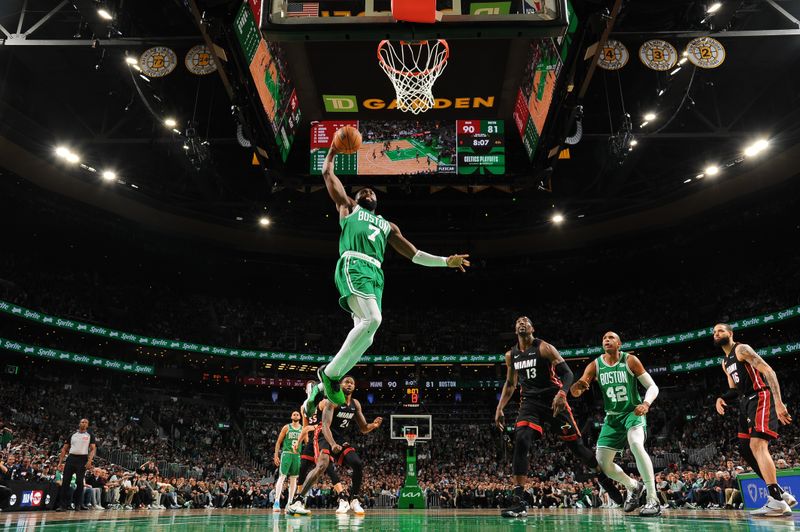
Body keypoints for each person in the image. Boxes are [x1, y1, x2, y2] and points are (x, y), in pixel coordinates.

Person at [304, 144, 469, 414]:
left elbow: (414, 254)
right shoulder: (348, 207)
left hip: (375, 275)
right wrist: (332, 152)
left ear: (377, 201)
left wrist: (444, 261)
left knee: (368, 338)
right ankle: (330, 375)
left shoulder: (388, 226)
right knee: (374, 319)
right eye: (362, 191)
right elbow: (326, 174)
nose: (367, 191)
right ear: (356, 198)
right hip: (354, 262)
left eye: (371, 191)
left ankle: (317, 391)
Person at [495, 317, 623, 518]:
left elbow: (568, 374)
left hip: (553, 399)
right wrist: (500, 408)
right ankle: (519, 501)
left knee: (577, 447)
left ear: (532, 328)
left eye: (526, 321)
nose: (522, 323)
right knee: (521, 439)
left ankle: (603, 478)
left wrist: (562, 394)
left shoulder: (544, 347)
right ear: (514, 329)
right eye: (518, 321)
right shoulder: (511, 355)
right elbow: (510, 384)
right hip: (529, 402)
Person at [570, 331, 661, 516]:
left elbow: (653, 386)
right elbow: (577, 391)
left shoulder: (630, 361)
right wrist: (578, 387)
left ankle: (653, 499)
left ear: (619, 344)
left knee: (636, 444)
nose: (606, 340)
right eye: (604, 338)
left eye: (611, 338)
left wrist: (646, 403)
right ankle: (633, 486)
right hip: (612, 418)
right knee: (603, 464)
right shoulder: (595, 364)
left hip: (632, 412)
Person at [713, 323, 795, 516]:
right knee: (745, 448)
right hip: (745, 402)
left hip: (760, 396)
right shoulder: (725, 362)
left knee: (758, 445)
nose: (717, 334)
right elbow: (734, 389)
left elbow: (769, 371)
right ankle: (779, 493)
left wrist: (779, 402)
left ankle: (776, 500)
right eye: (715, 332)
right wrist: (721, 398)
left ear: (730, 334)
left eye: (721, 331)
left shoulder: (742, 349)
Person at [290, 376, 382, 516]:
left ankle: (354, 499)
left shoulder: (355, 404)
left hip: (339, 437)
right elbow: (325, 425)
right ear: (340, 385)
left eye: (352, 382)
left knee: (357, 463)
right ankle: (298, 500)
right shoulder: (333, 401)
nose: (349, 384)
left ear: (354, 386)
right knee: (322, 465)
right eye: (346, 382)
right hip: (323, 434)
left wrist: (373, 426)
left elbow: (363, 428)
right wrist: (332, 444)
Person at [55, 418, 96, 512]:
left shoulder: (90, 435)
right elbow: (64, 448)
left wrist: (89, 461)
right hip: (71, 458)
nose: (84, 423)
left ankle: (78, 504)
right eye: (82, 422)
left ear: (88, 425)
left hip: (82, 459)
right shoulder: (72, 435)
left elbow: (93, 449)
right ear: (79, 423)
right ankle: (63, 505)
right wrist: (60, 462)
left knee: (79, 482)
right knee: (65, 481)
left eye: (86, 422)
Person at [272, 410, 303, 512]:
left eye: (297, 414)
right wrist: (276, 455)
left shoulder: (303, 429)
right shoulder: (286, 427)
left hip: (297, 455)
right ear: (291, 417)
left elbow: (307, 443)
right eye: (294, 414)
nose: (296, 415)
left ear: (300, 417)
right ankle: (276, 502)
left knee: (294, 479)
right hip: (287, 454)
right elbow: (278, 442)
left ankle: (289, 503)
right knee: (282, 477)